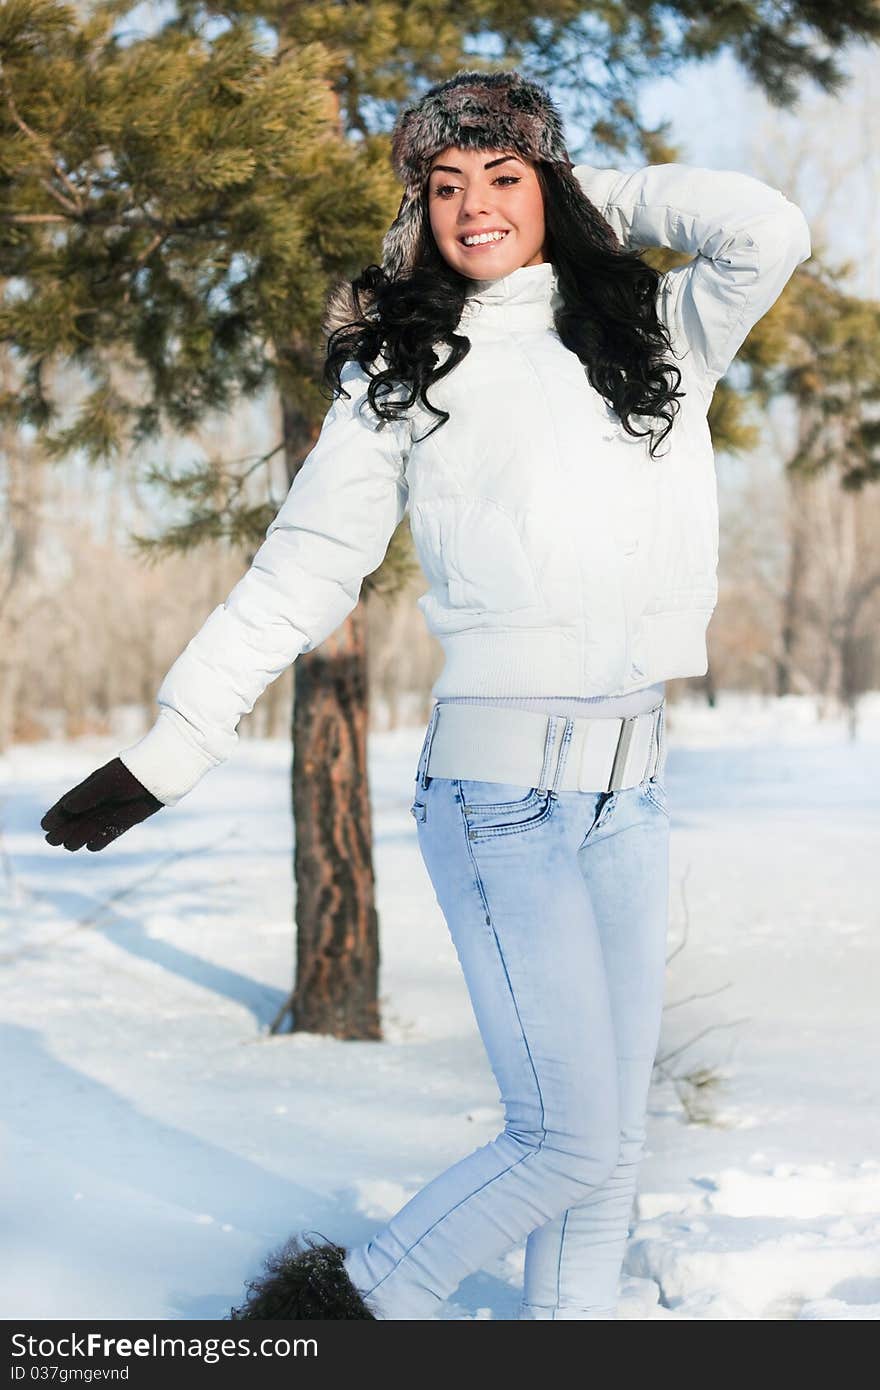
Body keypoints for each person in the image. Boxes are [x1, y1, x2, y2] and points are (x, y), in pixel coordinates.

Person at [40, 69, 811, 1320]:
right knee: (563, 1139)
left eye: (503, 177)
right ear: (419, 210)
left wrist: (584, 194)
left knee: (605, 1153)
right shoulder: (405, 366)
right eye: (443, 185)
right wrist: (173, 748)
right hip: (501, 795)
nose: (473, 206)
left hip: (628, 793)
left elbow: (769, 226)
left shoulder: (657, 333)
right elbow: (301, 568)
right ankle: (331, 1317)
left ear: (551, 186)